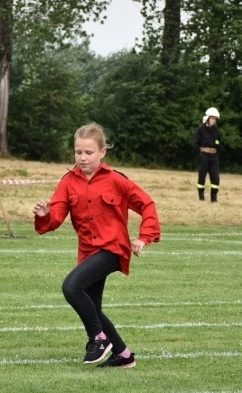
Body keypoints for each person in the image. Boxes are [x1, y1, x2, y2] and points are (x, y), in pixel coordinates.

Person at [33, 123, 161, 368]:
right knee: (92, 308)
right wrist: (44, 214)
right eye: (78, 152)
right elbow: (54, 219)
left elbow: (147, 205)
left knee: (71, 287)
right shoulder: (68, 182)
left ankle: (99, 339)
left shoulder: (117, 180)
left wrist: (144, 237)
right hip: (88, 252)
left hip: (113, 248)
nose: (82, 158)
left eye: (89, 152)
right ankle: (123, 355)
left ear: (102, 152)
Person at [192, 107, 222, 202]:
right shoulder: (200, 130)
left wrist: (217, 154)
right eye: (212, 118)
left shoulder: (216, 131)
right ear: (207, 118)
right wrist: (199, 154)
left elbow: (219, 144)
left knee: (215, 178)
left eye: (215, 119)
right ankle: (201, 198)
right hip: (203, 156)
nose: (214, 120)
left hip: (214, 157)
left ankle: (214, 199)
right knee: (202, 177)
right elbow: (195, 143)